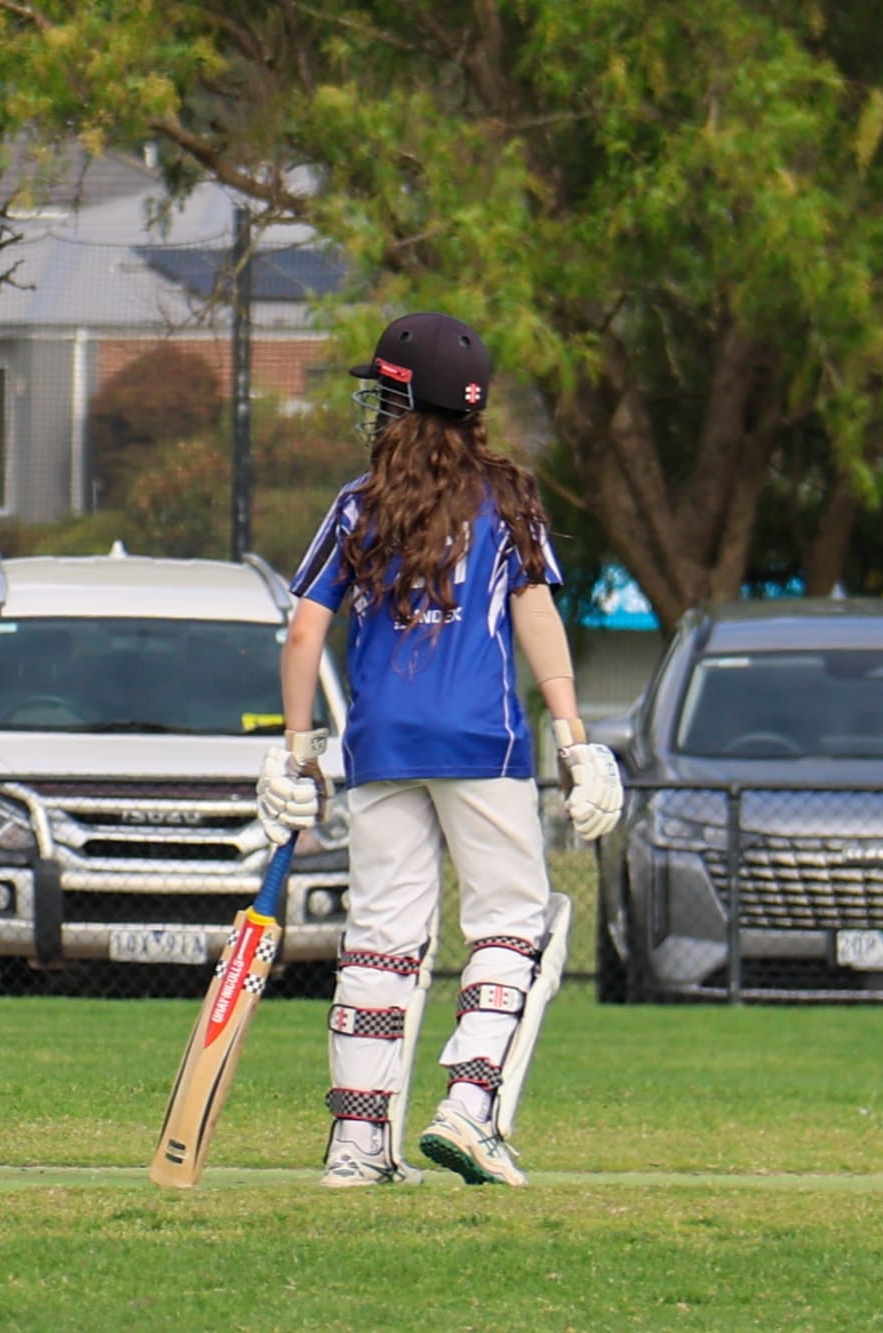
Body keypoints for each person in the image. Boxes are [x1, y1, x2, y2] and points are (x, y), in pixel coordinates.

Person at [256, 312, 621, 1189]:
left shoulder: (357, 503)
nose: (373, 406)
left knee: (381, 938)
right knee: (512, 925)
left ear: (402, 400)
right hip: (480, 741)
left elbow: (303, 632)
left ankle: (357, 1144)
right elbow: (538, 617)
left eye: (382, 390)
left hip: (381, 745)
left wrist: (295, 748)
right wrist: (574, 738)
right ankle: (468, 1105)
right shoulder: (509, 498)